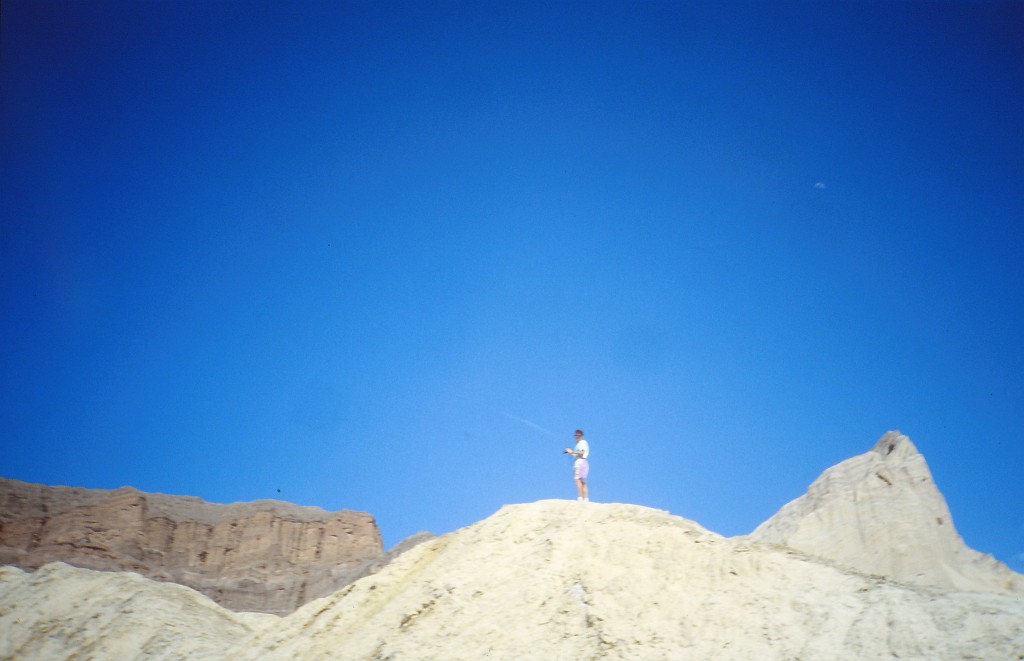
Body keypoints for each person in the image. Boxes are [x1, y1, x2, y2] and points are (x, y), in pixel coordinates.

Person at [564, 429, 590, 502]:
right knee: (582, 481)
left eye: (578, 435)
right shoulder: (579, 444)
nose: (576, 436)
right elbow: (576, 453)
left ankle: (580, 498)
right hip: (582, 462)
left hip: (580, 462)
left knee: (578, 480)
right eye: (575, 435)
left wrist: (572, 451)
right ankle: (585, 499)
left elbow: (581, 452)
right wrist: (570, 452)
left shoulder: (582, 442)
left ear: (581, 436)